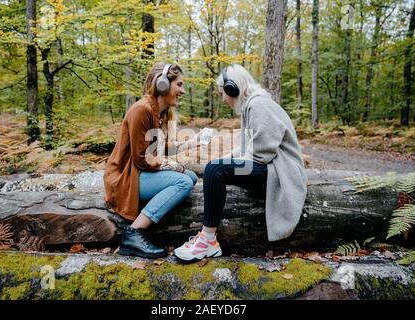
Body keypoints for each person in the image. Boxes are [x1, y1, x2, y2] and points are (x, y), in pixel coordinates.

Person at [174, 64, 307, 263]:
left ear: (232, 89)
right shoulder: (251, 106)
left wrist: (219, 168)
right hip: (272, 167)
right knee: (216, 167)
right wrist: (221, 161)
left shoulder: (259, 105)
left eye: (223, 93)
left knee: (216, 170)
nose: (223, 98)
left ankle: (207, 241)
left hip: (281, 172)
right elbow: (247, 149)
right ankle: (207, 239)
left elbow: (261, 154)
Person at [103, 62, 200, 259]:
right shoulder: (142, 110)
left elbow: (159, 149)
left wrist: (191, 143)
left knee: (190, 177)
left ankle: (151, 215)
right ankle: (134, 233)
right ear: (163, 84)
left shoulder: (159, 112)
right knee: (183, 181)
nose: (182, 91)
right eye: (179, 85)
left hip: (139, 173)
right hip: (126, 178)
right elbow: (141, 159)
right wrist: (170, 165)